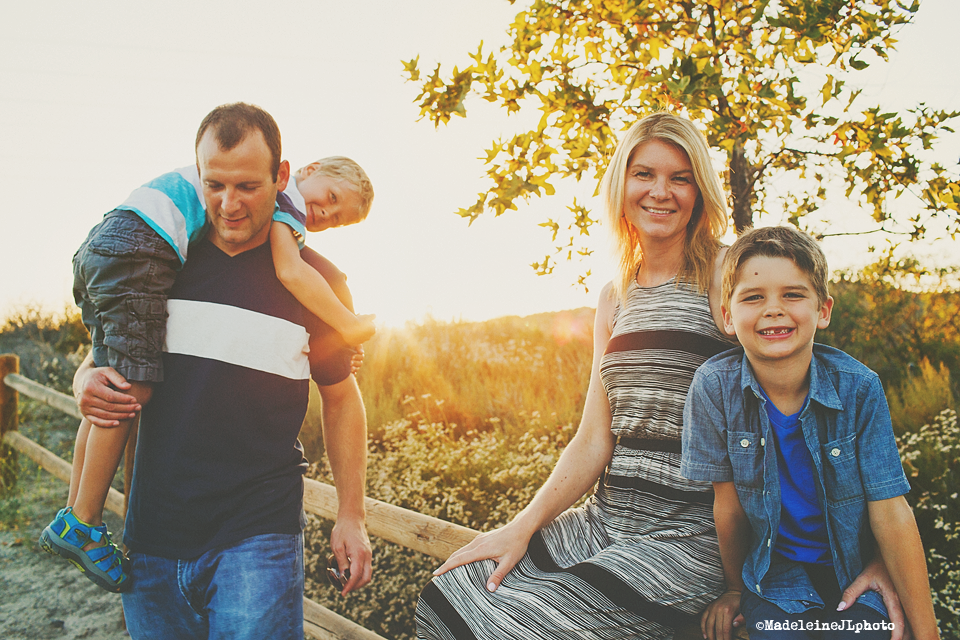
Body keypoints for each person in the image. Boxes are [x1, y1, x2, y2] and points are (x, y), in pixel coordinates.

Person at [415, 112, 906, 640]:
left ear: (700, 190)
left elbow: (814, 407)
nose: (660, 192)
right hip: (607, 520)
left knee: (531, 626)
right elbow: (593, 438)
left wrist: (870, 555)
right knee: (449, 595)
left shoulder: (728, 274)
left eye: (680, 177)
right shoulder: (613, 297)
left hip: (695, 533)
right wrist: (520, 527)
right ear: (621, 184)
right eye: (644, 174)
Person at [69, 102, 373, 638]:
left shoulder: (320, 285)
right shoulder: (162, 258)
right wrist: (82, 384)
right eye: (215, 185)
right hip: (152, 535)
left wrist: (352, 513)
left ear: (280, 177)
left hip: (258, 535)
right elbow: (99, 360)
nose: (229, 205)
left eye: (249, 188)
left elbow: (343, 398)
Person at [681, 226, 939, 640]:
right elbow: (726, 506)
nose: (773, 309)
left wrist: (928, 634)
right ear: (728, 316)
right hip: (774, 578)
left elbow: (890, 509)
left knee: (863, 634)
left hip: (853, 568)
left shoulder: (859, 387)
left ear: (823, 309)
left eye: (793, 294)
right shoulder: (714, 386)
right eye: (753, 297)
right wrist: (733, 589)